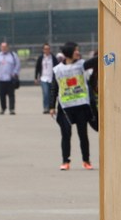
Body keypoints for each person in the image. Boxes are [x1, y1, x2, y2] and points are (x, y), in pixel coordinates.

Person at [52, 41, 93, 170]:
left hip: (80, 105)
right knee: (66, 134)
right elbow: (54, 88)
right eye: (75, 50)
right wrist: (51, 106)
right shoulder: (58, 69)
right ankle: (65, 161)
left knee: (83, 134)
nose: (78, 52)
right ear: (69, 53)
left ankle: (86, 160)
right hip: (65, 107)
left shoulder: (81, 65)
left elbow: (96, 60)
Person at [0, 41, 21, 115]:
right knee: (1, 95)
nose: (4, 48)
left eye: (5, 47)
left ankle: (12, 109)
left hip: (10, 79)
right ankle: (3, 108)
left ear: (8, 47)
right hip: (0, 79)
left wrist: (15, 72)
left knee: (11, 95)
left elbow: (18, 64)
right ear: (0, 48)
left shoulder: (13, 55)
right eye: (2, 47)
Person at [34, 43, 57, 114]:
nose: (47, 50)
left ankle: (51, 107)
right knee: (46, 93)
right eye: (45, 49)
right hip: (43, 78)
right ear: (43, 50)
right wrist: (36, 77)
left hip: (51, 78)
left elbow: (57, 67)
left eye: (48, 49)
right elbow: (37, 68)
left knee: (52, 94)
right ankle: (46, 107)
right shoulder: (41, 58)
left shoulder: (53, 57)